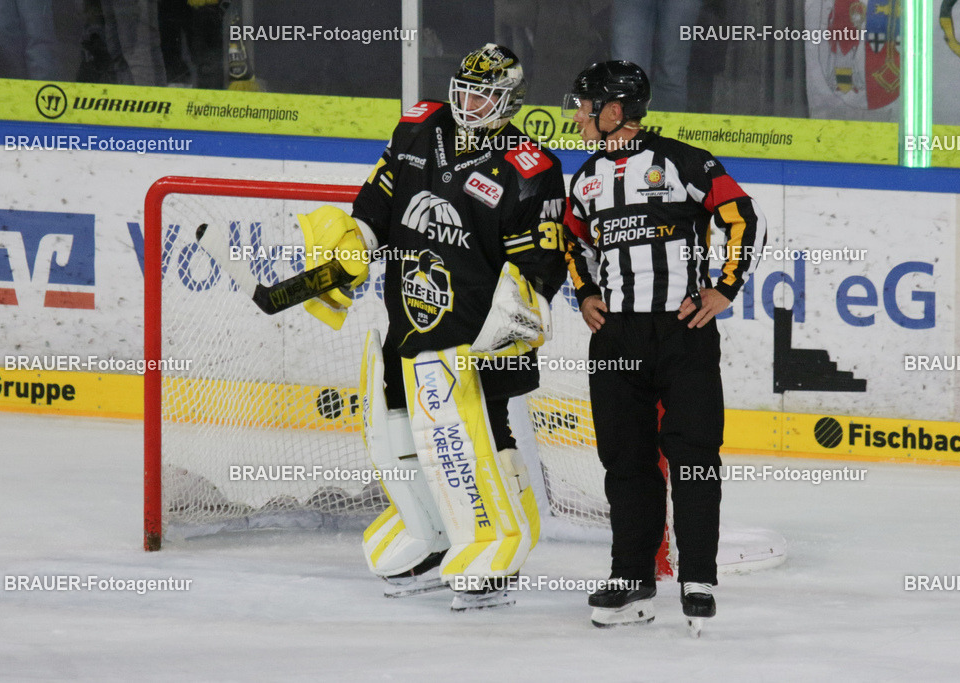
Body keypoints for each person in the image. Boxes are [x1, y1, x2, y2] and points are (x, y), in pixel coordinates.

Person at [300, 44, 568, 611]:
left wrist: (515, 320)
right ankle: (431, 535)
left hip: (479, 330)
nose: (469, 102)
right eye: (464, 89)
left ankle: (500, 540)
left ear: (509, 102)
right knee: (401, 425)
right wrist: (354, 249)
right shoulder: (417, 129)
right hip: (411, 314)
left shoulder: (531, 168)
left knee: (482, 431)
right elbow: (376, 204)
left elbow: (541, 263)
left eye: (483, 94)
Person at [562, 61, 767, 631]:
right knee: (625, 462)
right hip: (616, 338)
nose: (577, 117)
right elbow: (572, 243)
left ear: (614, 112)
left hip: (684, 333)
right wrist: (584, 294)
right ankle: (631, 580)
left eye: (585, 107)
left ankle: (698, 575)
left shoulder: (681, 162)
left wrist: (724, 288)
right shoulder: (584, 180)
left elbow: (743, 217)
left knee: (695, 457)